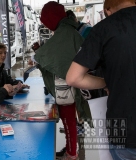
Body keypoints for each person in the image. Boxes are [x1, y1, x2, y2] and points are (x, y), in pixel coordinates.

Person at [66, 0, 136, 159]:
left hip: (123, 130)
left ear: (107, 10)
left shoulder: (104, 28)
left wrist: (105, 82)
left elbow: (73, 77)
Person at [34, 2, 91, 160]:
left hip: (67, 87)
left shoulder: (64, 32)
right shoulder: (69, 30)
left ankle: (71, 154)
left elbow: (52, 57)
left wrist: (39, 54)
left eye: (45, 19)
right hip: (74, 85)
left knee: (68, 120)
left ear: (52, 17)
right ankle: (71, 148)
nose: (44, 23)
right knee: (70, 120)